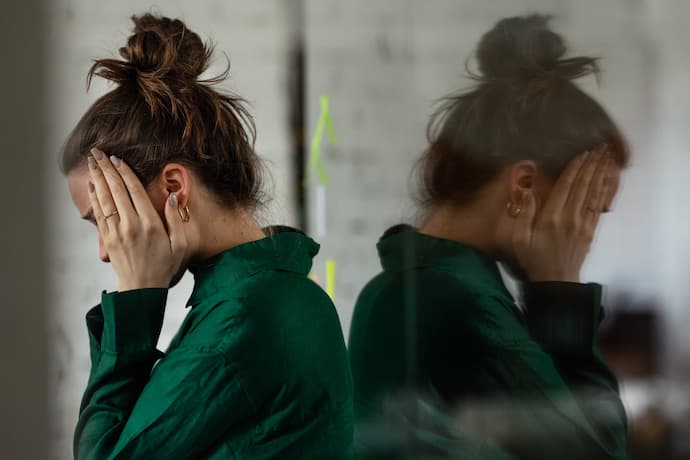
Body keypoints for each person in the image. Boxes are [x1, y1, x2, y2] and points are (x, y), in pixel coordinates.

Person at [61, 14, 353, 459]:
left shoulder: (244, 319)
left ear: (174, 187)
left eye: (103, 218)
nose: (105, 250)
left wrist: (137, 295)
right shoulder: (261, 299)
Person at [348, 15, 629, 460]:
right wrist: (562, 291)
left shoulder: (414, 283)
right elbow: (602, 452)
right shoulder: (458, 300)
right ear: (522, 187)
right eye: (590, 208)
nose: (586, 234)